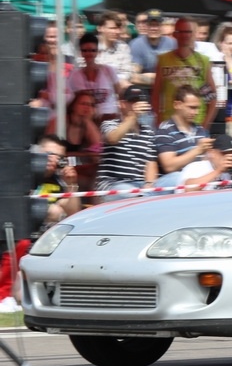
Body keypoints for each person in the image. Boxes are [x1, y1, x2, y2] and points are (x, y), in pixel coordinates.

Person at [1, 136, 82, 312]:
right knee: (22, 296)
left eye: (58, 157)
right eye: (48, 154)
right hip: (18, 246)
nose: (53, 160)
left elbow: (73, 213)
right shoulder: (21, 177)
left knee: (30, 300)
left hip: (44, 250)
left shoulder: (58, 182)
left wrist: (71, 186)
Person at [152, 17, 216, 130]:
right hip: (169, 123)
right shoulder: (163, 60)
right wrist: (158, 120)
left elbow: (211, 97)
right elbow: (157, 94)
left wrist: (206, 124)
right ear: (175, 34)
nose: (184, 35)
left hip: (196, 123)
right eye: (180, 31)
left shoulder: (203, 61)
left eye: (188, 32)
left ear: (194, 34)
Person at [96, 85, 159, 200]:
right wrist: (133, 116)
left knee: (174, 181)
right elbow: (113, 138)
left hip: (140, 185)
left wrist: (149, 185)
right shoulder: (109, 124)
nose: (137, 105)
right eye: (133, 101)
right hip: (113, 185)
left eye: (140, 101)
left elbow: (150, 163)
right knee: (134, 197)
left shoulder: (148, 131)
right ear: (122, 104)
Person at [153, 85, 213, 188]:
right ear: (177, 105)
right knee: (178, 177)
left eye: (198, 108)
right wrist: (197, 150)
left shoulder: (201, 131)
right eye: (191, 108)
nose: (196, 112)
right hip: (173, 187)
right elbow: (169, 166)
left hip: (198, 186)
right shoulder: (165, 131)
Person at [67, 33, 124, 121]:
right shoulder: (74, 75)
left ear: (97, 52)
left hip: (109, 118)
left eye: (92, 50)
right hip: (85, 119)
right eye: (85, 50)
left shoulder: (109, 70)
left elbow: (120, 94)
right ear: (81, 52)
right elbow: (69, 101)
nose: (89, 54)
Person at [129, 8, 175, 88]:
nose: (154, 28)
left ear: (162, 26)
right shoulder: (136, 44)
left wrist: (150, 75)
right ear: (146, 26)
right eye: (151, 25)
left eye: (157, 25)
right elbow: (133, 77)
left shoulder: (172, 44)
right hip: (145, 88)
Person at [94, 10, 134, 84]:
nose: (117, 32)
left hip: (117, 85)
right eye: (112, 28)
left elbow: (127, 72)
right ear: (100, 28)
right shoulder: (89, 46)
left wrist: (113, 80)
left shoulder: (123, 47)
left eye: (118, 28)